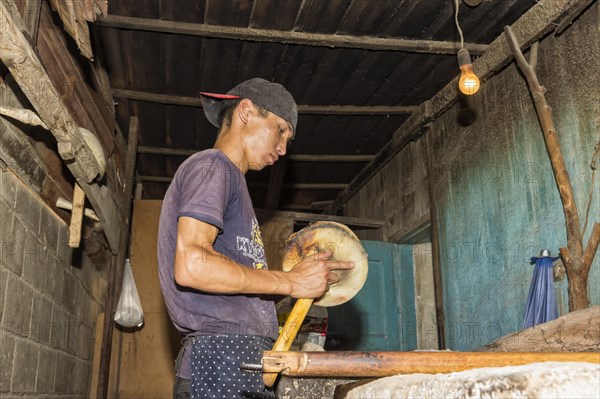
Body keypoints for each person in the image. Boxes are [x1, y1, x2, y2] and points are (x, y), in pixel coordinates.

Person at [157, 78, 354, 399]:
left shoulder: (233, 185)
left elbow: (235, 295)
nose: (283, 149)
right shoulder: (212, 167)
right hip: (220, 358)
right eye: (281, 130)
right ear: (246, 112)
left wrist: (301, 282)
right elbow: (193, 265)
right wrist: (290, 282)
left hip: (237, 357)